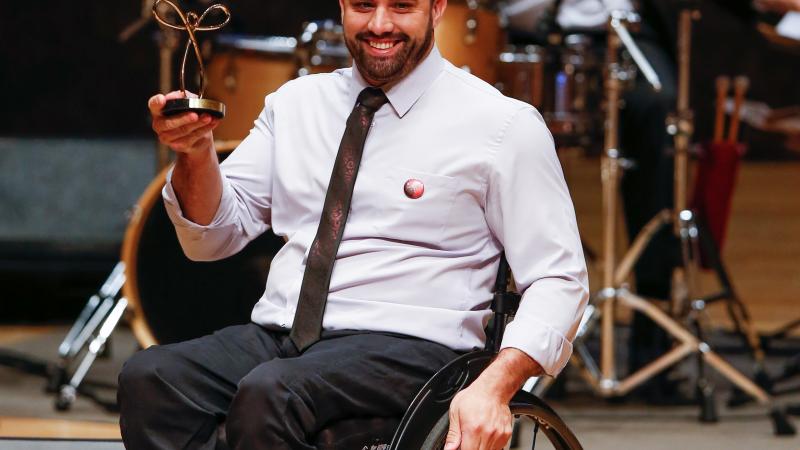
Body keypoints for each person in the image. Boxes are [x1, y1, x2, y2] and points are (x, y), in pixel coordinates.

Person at [118, 0, 589, 449]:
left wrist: (496, 386)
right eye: (363, 6)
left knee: (270, 395)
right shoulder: (296, 105)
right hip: (285, 337)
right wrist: (196, 152)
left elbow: (560, 278)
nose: (380, 24)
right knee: (151, 380)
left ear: (437, 8)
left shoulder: (502, 125)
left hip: (413, 350)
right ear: (342, 8)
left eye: (402, 7)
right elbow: (212, 238)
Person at [505, 0, 680, 401]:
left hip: (629, 38)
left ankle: (651, 350)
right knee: (512, 159)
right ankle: (523, 344)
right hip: (538, 35)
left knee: (659, 110)